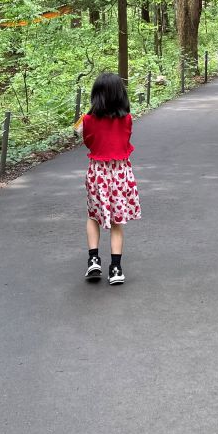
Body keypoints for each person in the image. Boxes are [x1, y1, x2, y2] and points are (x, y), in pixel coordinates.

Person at [77, 72, 140, 286]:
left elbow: (89, 143)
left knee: (94, 216)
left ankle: (93, 259)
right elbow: (125, 140)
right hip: (121, 173)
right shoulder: (127, 119)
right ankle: (116, 268)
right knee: (116, 222)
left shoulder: (87, 121)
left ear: (96, 96)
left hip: (97, 173)